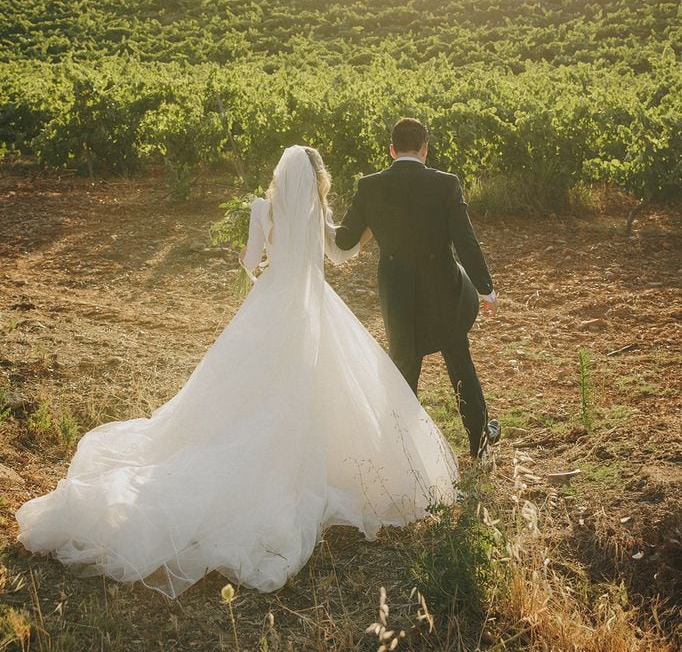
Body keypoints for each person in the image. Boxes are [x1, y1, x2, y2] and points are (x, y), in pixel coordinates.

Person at [15, 145, 457, 598]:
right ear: (317, 178)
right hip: (314, 307)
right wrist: (363, 237)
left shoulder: (264, 207)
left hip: (272, 303)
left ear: (279, 175)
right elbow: (340, 256)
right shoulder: (317, 209)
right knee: (327, 386)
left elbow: (250, 261)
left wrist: (259, 259)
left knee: (248, 385)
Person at [334, 118, 500, 459]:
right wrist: (485, 289)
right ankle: (480, 443)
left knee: (403, 371)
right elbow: (465, 242)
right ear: (425, 149)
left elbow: (344, 239)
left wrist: (312, 214)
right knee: (460, 364)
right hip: (444, 289)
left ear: (391, 150)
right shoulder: (446, 184)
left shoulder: (369, 186)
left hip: (397, 293)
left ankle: (399, 455)